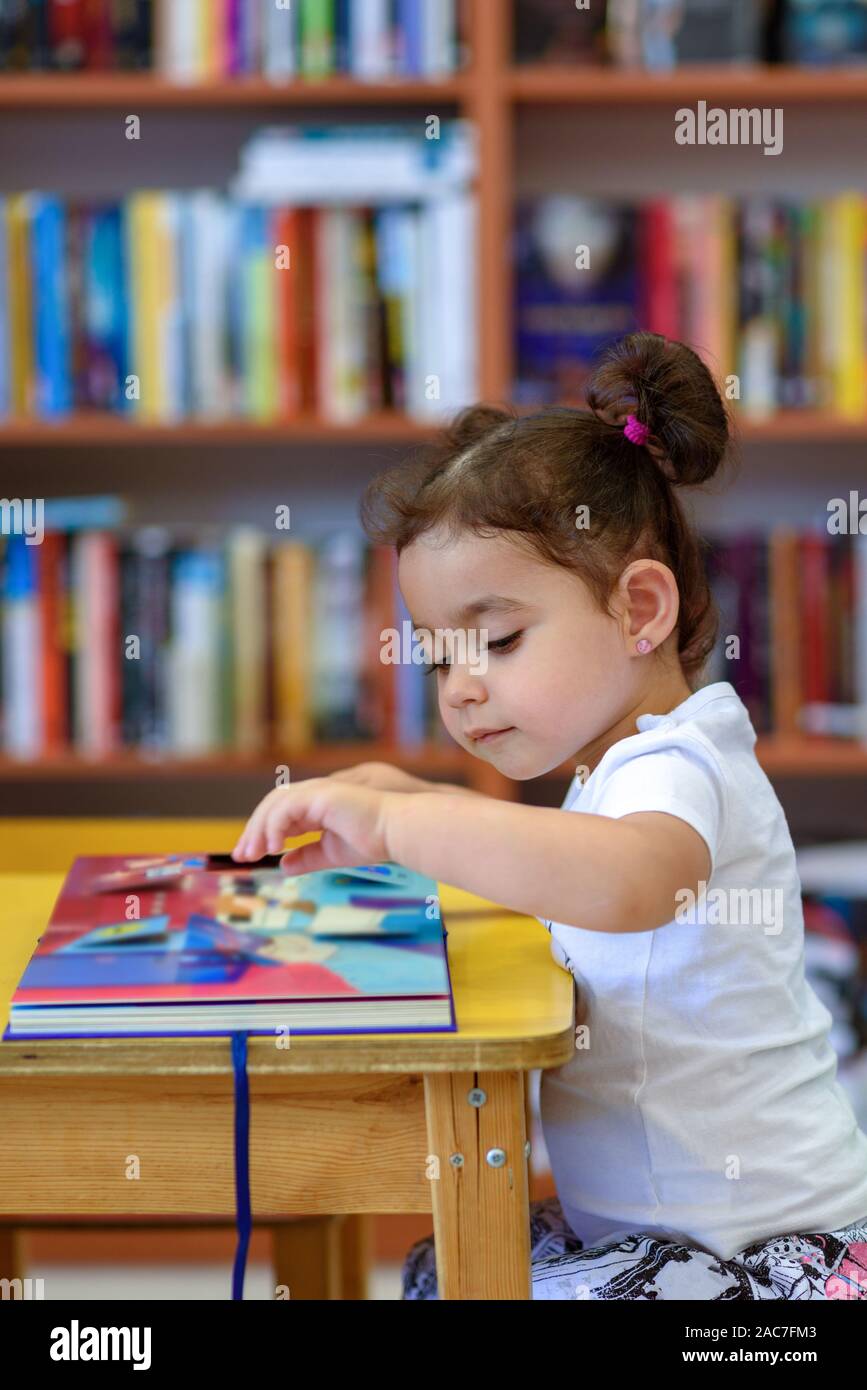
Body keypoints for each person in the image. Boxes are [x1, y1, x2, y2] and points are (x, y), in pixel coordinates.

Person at [231, 331, 867, 1300]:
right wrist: (397, 799)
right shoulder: (610, 772)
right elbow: (563, 860)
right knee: (451, 1268)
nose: (461, 689)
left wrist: (408, 826)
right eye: (442, 655)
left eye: (498, 638)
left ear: (639, 608)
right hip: (668, 1242)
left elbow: (624, 879)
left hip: (769, 1263)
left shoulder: (680, 763)